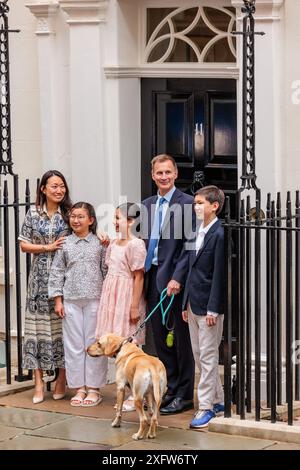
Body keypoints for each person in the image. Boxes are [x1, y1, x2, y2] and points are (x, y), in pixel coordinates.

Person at [141, 154, 195, 415]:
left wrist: (178, 277)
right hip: (152, 279)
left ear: (175, 174)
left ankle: (184, 395)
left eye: (168, 172)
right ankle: (170, 388)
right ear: (153, 176)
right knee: (161, 339)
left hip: (175, 283)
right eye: (159, 173)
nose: (163, 177)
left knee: (181, 340)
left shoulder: (187, 204)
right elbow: (139, 240)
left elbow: (189, 247)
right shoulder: (147, 205)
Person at [170, 185, 225, 428]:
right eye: (195, 203)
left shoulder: (220, 234)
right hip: (192, 303)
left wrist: (214, 308)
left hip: (209, 307)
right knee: (199, 355)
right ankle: (218, 400)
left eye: (201, 203)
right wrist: (185, 302)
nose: (196, 207)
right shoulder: (195, 231)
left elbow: (220, 274)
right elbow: (190, 268)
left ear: (215, 206)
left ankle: (205, 407)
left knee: (208, 355)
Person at [19, 170, 71, 404]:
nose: (59, 190)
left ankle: (62, 379)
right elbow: (23, 245)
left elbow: (85, 232)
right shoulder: (32, 213)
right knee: (37, 331)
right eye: (54, 186)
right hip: (38, 281)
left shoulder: (69, 214)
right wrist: (48, 248)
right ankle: (39, 384)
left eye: (62, 186)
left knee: (64, 330)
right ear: (43, 189)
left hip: (65, 279)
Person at [48, 202, 108, 407]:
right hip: (71, 300)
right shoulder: (64, 244)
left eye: (81, 216)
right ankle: (79, 388)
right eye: (73, 216)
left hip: (95, 299)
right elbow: (57, 272)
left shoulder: (100, 244)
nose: (76, 220)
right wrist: (58, 300)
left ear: (90, 220)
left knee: (93, 344)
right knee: (73, 346)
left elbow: (106, 271)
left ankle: (94, 388)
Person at [95, 202, 147, 412]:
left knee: (130, 346)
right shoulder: (114, 243)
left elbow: (138, 277)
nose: (115, 222)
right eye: (114, 218)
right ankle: (123, 388)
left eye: (118, 218)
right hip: (112, 295)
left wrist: (134, 306)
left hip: (126, 295)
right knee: (116, 345)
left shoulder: (136, 245)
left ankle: (138, 394)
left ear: (131, 221)